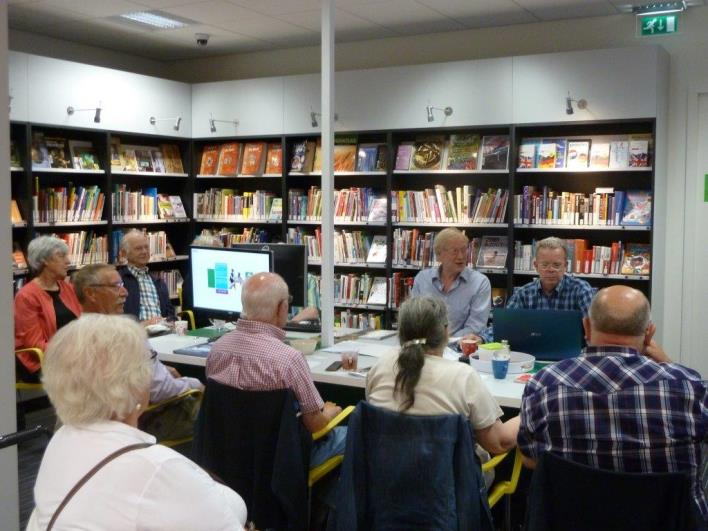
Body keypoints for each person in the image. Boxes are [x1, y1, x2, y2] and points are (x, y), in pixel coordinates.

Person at [27, 314, 247, 530]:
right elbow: (226, 519)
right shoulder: (156, 466)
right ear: (135, 382)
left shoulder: (60, 440)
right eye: (150, 361)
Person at [518, 285, 708, 524]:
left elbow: (530, 458)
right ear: (649, 333)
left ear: (586, 326)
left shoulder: (544, 384)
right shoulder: (691, 388)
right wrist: (669, 364)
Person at [207, 272, 347, 468]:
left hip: (229, 458)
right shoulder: (289, 359)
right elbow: (315, 424)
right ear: (282, 308)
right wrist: (330, 413)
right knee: (351, 434)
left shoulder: (217, 350)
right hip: (281, 462)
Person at [366, 296, 520, 460]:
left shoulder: (380, 366)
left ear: (400, 332)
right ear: (446, 331)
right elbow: (499, 443)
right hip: (449, 483)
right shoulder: (463, 376)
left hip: (385, 478)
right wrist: (526, 415)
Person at [73, 264, 203, 404]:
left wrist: (160, 369)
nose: (125, 292)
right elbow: (160, 390)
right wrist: (194, 384)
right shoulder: (126, 336)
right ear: (91, 293)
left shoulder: (72, 335)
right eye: (116, 286)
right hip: (138, 417)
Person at [14, 236, 81, 381]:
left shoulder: (67, 288)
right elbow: (34, 344)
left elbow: (82, 324)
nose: (68, 261)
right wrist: (75, 354)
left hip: (71, 356)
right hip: (40, 362)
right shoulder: (26, 296)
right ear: (44, 259)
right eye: (61, 256)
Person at [411, 228, 491, 341]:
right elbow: (414, 318)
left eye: (464, 250)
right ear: (439, 255)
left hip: (458, 348)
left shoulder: (480, 282)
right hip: (424, 346)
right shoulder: (422, 279)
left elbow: (475, 327)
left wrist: (443, 341)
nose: (461, 256)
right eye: (454, 251)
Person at [507, 236, 594, 315]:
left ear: (565, 266)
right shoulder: (523, 294)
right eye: (545, 265)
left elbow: (595, 328)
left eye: (556, 265)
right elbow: (507, 326)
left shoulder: (581, 290)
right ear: (536, 266)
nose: (550, 270)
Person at [118, 230, 175, 324]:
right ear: (124, 254)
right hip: (135, 334)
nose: (144, 251)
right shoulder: (119, 281)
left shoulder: (159, 282)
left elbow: (170, 314)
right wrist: (145, 324)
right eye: (138, 248)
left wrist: (171, 322)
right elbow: (116, 318)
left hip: (162, 334)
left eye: (146, 247)